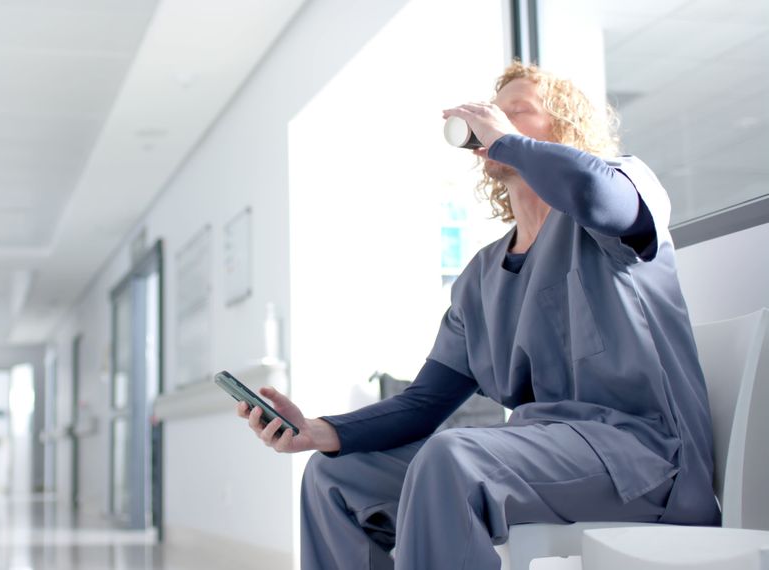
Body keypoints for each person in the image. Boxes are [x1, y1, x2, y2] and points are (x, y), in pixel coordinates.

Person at [235, 61, 720, 569]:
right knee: (334, 478)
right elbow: (424, 403)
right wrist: (319, 429)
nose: (495, 120)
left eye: (519, 110)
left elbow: (596, 193)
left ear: (564, 131)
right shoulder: (482, 276)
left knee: (454, 458)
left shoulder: (617, 198)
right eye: (495, 112)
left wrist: (505, 138)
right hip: (536, 450)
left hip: (643, 457)